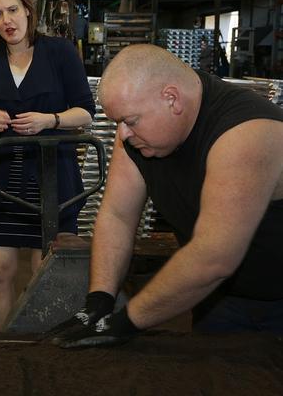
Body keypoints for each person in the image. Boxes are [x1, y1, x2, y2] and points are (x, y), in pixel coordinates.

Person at [51, 43, 283, 348]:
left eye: (130, 121)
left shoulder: (246, 133)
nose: (122, 135)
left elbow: (214, 258)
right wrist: (100, 301)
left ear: (171, 99)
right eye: (118, 123)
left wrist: (125, 322)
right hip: (219, 298)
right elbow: (118, 216)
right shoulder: (137, 137)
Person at [0, 0, 96, 332]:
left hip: (52, 180)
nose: (7, 20)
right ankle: (6, 349)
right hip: (4, 182)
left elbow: (86, 110)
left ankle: (42, 352)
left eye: (12, 10)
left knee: (44, 274)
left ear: (27, 9)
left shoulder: (60, 52)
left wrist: (50, 120)